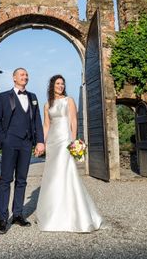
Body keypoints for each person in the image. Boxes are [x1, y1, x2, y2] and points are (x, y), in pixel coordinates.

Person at [35, 74, 102, 232]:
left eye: (62, 84)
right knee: (52, 175)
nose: (60, 86)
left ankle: (74, 215)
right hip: (52, 142)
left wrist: (73, 142)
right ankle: (52, 212)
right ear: (52, 86)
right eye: (58, 84)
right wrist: (41, 144)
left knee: (66, 172)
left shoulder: (69, 100)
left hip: (65, 140)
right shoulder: (46, 105)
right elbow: (46, 125)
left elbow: (73, 121)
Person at [0, 67, 45, 235]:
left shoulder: (33, 97)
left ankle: (18, 214)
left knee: (22, 180)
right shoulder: (3, 97)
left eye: (27, 75)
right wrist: (4, 138)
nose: (25, 77)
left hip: (26, 144)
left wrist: (40, 141)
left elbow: (37, 120)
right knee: (6, 180)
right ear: (14, 78)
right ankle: (2, 218)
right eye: (22, 74)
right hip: (10, 142)